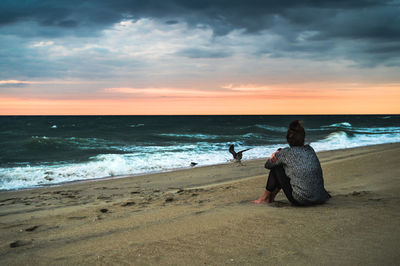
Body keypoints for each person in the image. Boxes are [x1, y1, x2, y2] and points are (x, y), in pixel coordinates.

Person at [252, 120, 330, 206]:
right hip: (320, 197)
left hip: (302, 200)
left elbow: (268, 165)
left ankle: (265, 198)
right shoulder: (310, 149)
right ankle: (271, 197)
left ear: (287, 139)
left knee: (277, 167)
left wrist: (274, 156)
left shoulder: (285, 153)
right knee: (286, 166)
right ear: (303, 138)